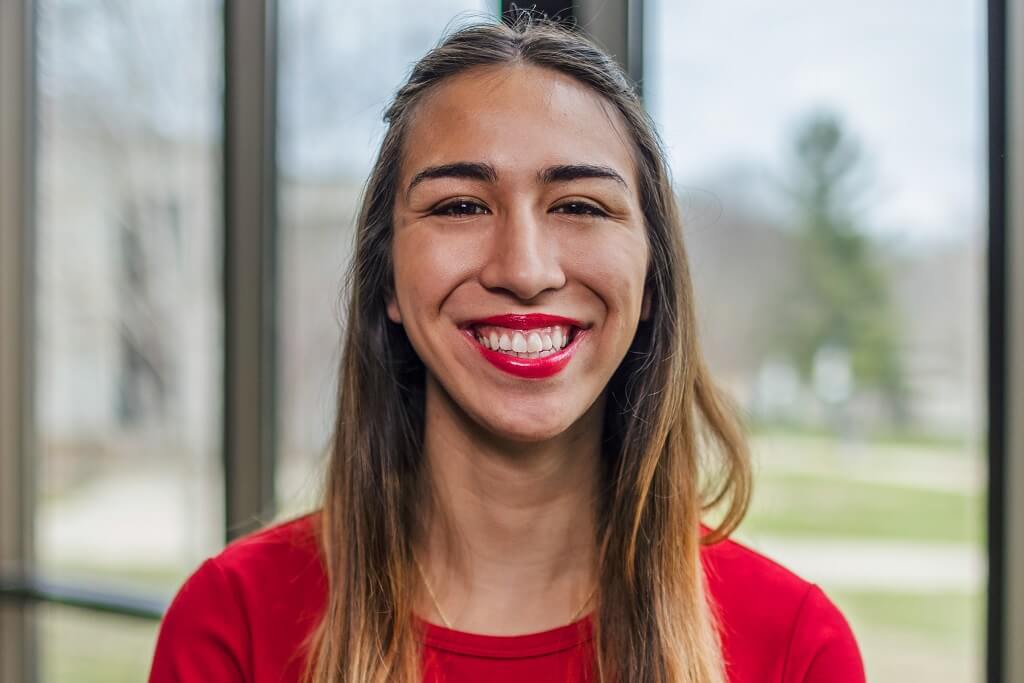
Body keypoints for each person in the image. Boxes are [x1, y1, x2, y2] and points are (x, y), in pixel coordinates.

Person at [149, 15, 865, 683]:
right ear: (389, 278)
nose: (524, 270)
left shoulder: (795, 647)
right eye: (460, 205)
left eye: (579, 206)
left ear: (652, 281)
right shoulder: (231, 624)